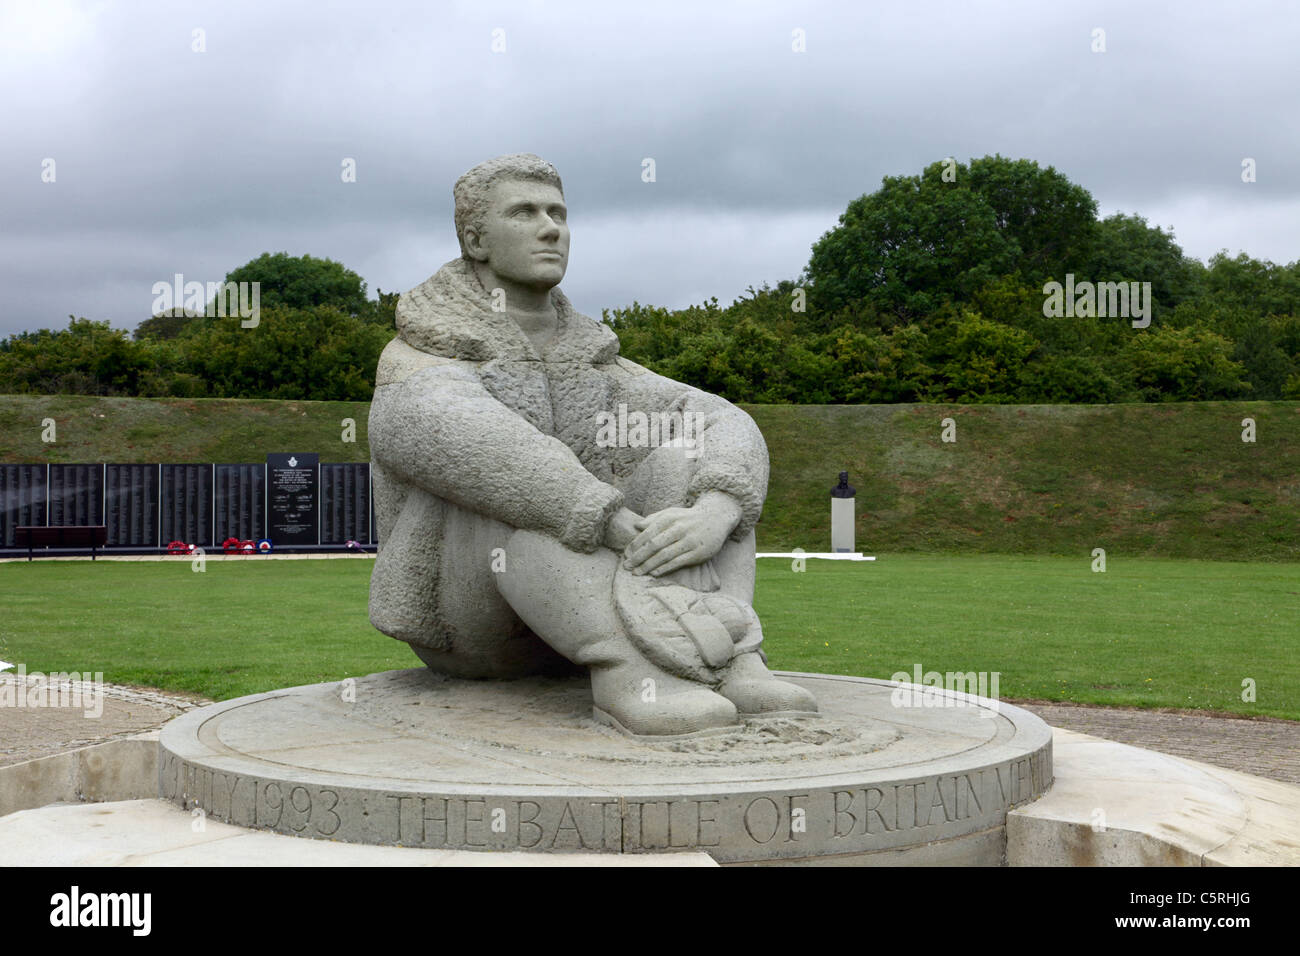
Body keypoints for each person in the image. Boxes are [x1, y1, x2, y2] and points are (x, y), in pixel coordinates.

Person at [368, 153, 816, 736]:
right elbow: (472, 439)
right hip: (480, 631)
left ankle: (729, 656)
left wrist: (716, 509)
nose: (550, 227)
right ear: (476, 240)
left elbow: (715, 418)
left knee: (694, 459)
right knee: (508, 487)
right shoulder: (416, 359)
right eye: (524, 213)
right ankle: (628, 670)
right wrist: (604, 517)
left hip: (597, 587)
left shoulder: (597, 363)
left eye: (557, 212)